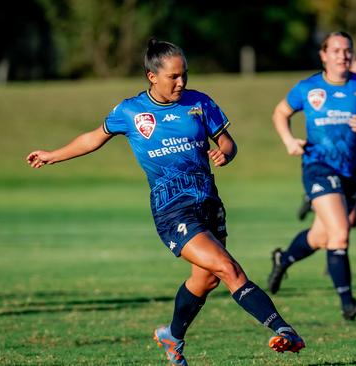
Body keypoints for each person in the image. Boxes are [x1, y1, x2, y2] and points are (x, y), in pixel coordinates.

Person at [26, 39, 305, 366]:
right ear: (152, 76)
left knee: (206, 279)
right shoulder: (130, 111)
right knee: (228, 269)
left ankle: (172, 336)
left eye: (184, 74)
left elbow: (228, 142)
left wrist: (225, 153)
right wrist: (52, 156)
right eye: (173, 76)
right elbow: (93, 137)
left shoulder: (199, 103)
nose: (181, 82)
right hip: (172, 209)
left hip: (208, 202)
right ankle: (284, 329)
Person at [267, 32, 356, 320]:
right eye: (336, 51)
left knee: (321, 236)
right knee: (340, 233)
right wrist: (288, 140)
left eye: (347, 51)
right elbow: (280, 113)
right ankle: (347, 303)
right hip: (317, 166)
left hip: (349, 173)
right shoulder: (308, 88)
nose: (342, 56)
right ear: (324, 55)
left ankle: (283, 259)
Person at [296, 55, 356, 227]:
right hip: (327, 164)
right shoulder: (335, 93)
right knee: (340, 224)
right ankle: (317, 199)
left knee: (354, 220)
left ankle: (314, 202)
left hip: (351, 164)